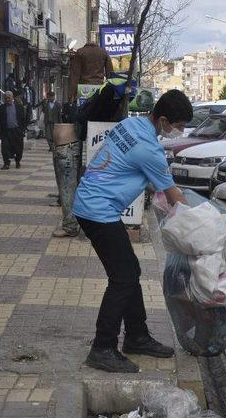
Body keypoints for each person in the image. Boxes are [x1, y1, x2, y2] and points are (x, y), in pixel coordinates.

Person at [72, 89, 192, 373]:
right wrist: (206, 221)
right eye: (179, 126)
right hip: (97, 211)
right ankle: (103, 347)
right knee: (124, 276)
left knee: (129, 271)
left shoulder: (130, 125)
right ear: (163, 119)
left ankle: (137, 336)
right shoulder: (149, 150)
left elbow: (133, 171)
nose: (180, 131)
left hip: (92, 204)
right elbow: (174, 195)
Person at [0, 91, 27, 170]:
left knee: (18, 148)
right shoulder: (1, 108)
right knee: (5, 148)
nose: (7, 99)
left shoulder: (19, 107)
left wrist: (23, 130)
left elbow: (23, 119)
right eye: (6, 98)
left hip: (17, 131)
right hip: (6, 131)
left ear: (12, 97)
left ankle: (18, 161)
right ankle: (6, 163)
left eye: (9, 97)